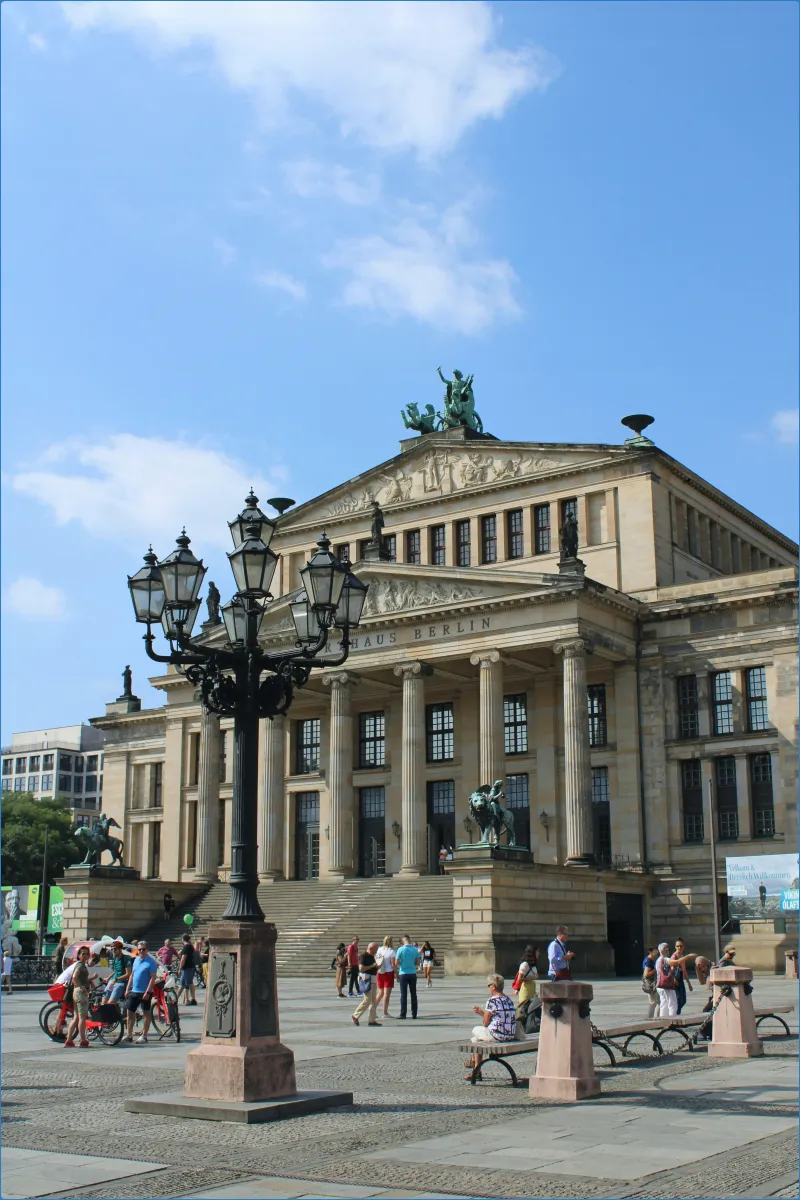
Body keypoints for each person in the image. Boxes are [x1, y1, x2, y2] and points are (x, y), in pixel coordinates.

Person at [464, 974, 518, 1080]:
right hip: (510, 1035)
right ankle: (476, 1070)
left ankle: (474, 1063)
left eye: (489, 985)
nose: (489, 988)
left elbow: (485, 1023)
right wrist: (481, 1013)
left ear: (493, 986)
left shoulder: (492, 1001)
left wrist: (482, 1014)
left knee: (475, 1030)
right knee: (476, 1040)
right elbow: (498, 1017)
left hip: (498, 1036)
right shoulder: (508, 1000)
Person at [125, 940, 159, 1043]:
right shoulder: (136, 960)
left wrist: (148, 992)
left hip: (145, 991)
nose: (141, 951)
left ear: (147, 950)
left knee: (146, 1014)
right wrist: (127, 988)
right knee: (129, 1012)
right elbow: (132, 975)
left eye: (143, 949)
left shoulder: (151, 962)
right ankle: (129, 1035)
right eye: (139, 950)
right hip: (134, 990)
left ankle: (144, 1036)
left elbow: (153, 978)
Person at [64, 946, 92, 1047]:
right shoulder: (80, 965)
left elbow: (79, 978)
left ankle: (69, 1040)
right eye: (82, 954)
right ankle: (83, 1040)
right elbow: (75, 976)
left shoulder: (82, 965)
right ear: (79, 955)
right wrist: (81, 987)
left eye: (86, 954)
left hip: (76, 992)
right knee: (82, 1018)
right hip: (80, 993)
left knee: (76, 1017)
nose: (85, 956)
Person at [351, 941, 380, 1026]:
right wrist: (373, 966)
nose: (377, 951)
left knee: (373, 1001)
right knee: (367, 1000)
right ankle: (355, 1015)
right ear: (370, 948)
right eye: (376, 949)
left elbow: (374, 969)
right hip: (366, 980)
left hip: (373, 979)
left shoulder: (373, 956)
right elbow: (361, 968)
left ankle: (372, 1020)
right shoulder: (363, 956)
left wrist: (377, 967)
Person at [396, 935, 420, 1019]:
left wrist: (403, 962)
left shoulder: (400, 949)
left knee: (403, 994)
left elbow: (397, 962)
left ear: (403, 941)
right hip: (412, 973)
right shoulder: (415, 949)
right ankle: (414, 1013)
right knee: (413, 994)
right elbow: (417, 963)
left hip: (403, 973)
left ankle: (403, 1013)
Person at [103, 939, 132, 1007]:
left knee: (110, 1004)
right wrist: (108, 978)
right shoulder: (115, 959)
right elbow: (115, 971)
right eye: (112, 949)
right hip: (112, 981)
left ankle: (113, 1016)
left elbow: (128, 974)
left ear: (120, 949)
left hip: (120, 983)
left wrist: (116, 979)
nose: (113, 951)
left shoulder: (126, 958)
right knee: (103, 1003)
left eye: (115, 949)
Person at [673, 937, 694, 1014]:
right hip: (675, 980)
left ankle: (677, 1012)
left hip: (680, 979)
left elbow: (684, 970)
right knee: (678, 999)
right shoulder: (674, 956)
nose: (679, 948)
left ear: (683, 947)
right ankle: (675, 1014)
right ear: (675, 947)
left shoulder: (682, 956)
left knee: (683, 1000)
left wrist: (689, 983)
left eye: (681, 946)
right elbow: (670, 969)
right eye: (677, 946)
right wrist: (673, 979)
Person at [177, 933, 197, 1005]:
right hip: (189, 967)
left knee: (188, 983)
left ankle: (190, 999)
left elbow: (183, 958)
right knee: (182, 984)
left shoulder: (187, 947)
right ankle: (176, 998)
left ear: (182, 939)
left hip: (187, 967)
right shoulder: (189, 946)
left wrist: (180, 968)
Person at [641, 944, 659, 1018]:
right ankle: (653, 1018)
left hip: (651, 984)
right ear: (650, 952)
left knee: (653, 1002)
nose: (656, 953)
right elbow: (646, 974)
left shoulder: (649, 960)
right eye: (655, 951)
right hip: (651, 984)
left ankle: (651, 1018)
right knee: (656, 1002)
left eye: (657, 951)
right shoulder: (649, 961)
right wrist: (655, 970)